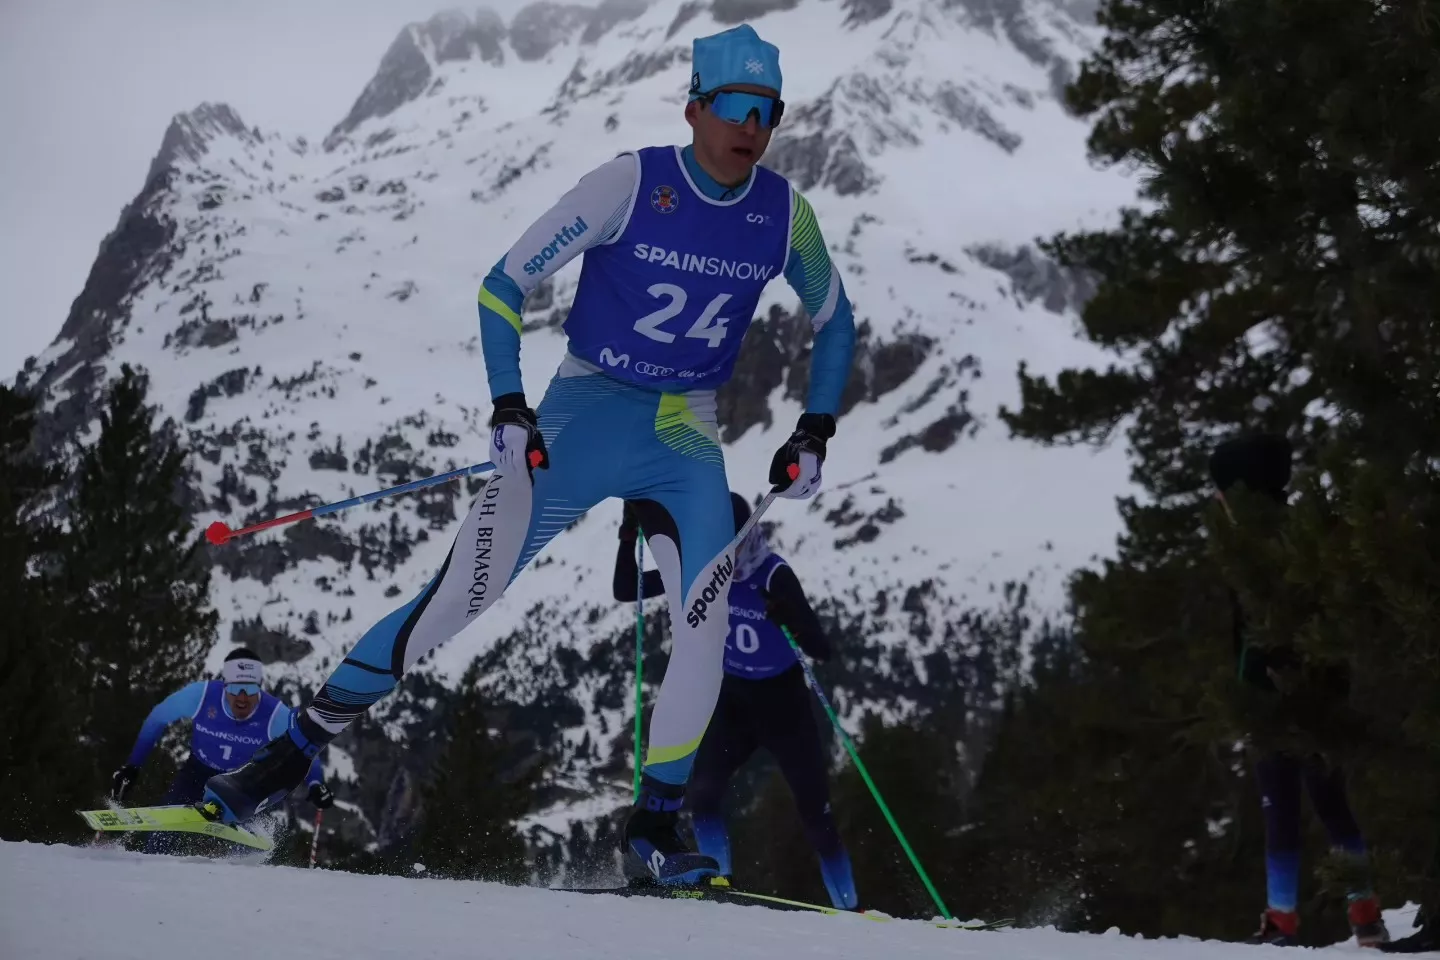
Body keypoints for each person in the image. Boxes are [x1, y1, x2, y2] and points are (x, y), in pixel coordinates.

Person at [200, 22, 857, 888]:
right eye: (734, 105)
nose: (751, 125)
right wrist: (510, 406)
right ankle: (275, 766)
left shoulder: (785, 215)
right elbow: (503, 285)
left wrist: (814, 430)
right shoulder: (631, 182)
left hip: (681, 437)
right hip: (579, 422)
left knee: (701, 632)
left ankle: (652, 830)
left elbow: (834, 318)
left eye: (768, 111)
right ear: (694, 107)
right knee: (451, 605)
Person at [614, 493, 859, 908]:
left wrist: (789, 617)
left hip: (784, 705)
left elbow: (821, 648)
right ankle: (720, 887)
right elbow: (626, 589)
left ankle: (850, 906)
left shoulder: (772, 574)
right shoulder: (704, 571)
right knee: (704, 795)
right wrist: (628, 535)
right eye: (716, 544)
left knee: (816, 818)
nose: (725, 554)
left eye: (733, 543)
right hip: (734, 701)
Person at [1208, 435, 1388, 948]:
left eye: (1222, 489)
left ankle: (1281, 922)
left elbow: (1252, 638)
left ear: (1243, 491)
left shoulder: (1253, 550)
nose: (1217, 499)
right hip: (1324, 692)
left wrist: (1245, 697)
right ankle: (1366, 914)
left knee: (1280, 809)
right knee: (1333, 804)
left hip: (1271, 698)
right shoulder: (1306, 535)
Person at [111, 648, 331, 853]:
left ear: (260, 686)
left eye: (251, 689)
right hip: (198, 772)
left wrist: (315, 783)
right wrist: (133, 766)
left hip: (246, 781)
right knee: (166, 829)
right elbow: (157, 717)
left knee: (252, 843)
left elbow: (305, 744)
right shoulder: (201, 696)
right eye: (235, 688)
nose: (243, 697)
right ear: (225, 685)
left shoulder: (276, 714)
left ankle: (243, 881)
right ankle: (152, 867)